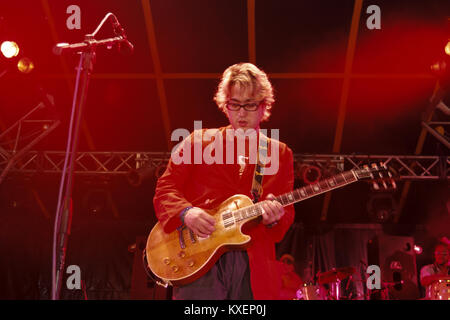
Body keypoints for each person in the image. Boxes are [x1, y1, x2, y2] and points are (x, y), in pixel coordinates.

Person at [153, 62, 295, 300]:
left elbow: (286, 213)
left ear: (263, 106)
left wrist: (274, 219)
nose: (241, 113)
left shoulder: (279, 153)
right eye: (234, 104)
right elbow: (165, 188)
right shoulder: (198, 141)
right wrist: (186, 213)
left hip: (253, 261)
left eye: (249, 105)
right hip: (199, 255)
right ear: (224, 105)